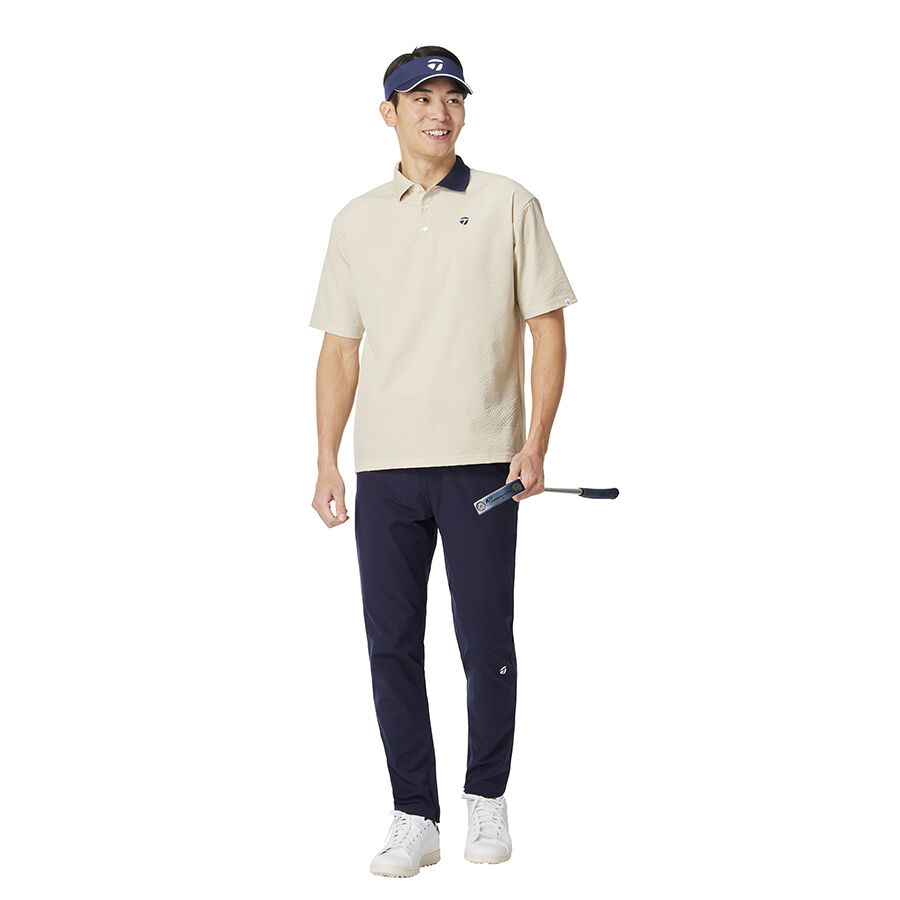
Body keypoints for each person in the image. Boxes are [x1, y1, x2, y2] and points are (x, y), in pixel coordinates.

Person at [309, 45, 579, 878]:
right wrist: (326, 460)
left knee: (485, 638)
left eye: (452, 97)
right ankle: (413, 815)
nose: (439, 111)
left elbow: (547, 329)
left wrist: (535, 443)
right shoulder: (355, 220)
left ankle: (486, 797)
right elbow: (340, 350)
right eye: (420, 97)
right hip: (386, 467)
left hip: (483, 461)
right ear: (387, 113)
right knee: (391, 644)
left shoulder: (508, 202)